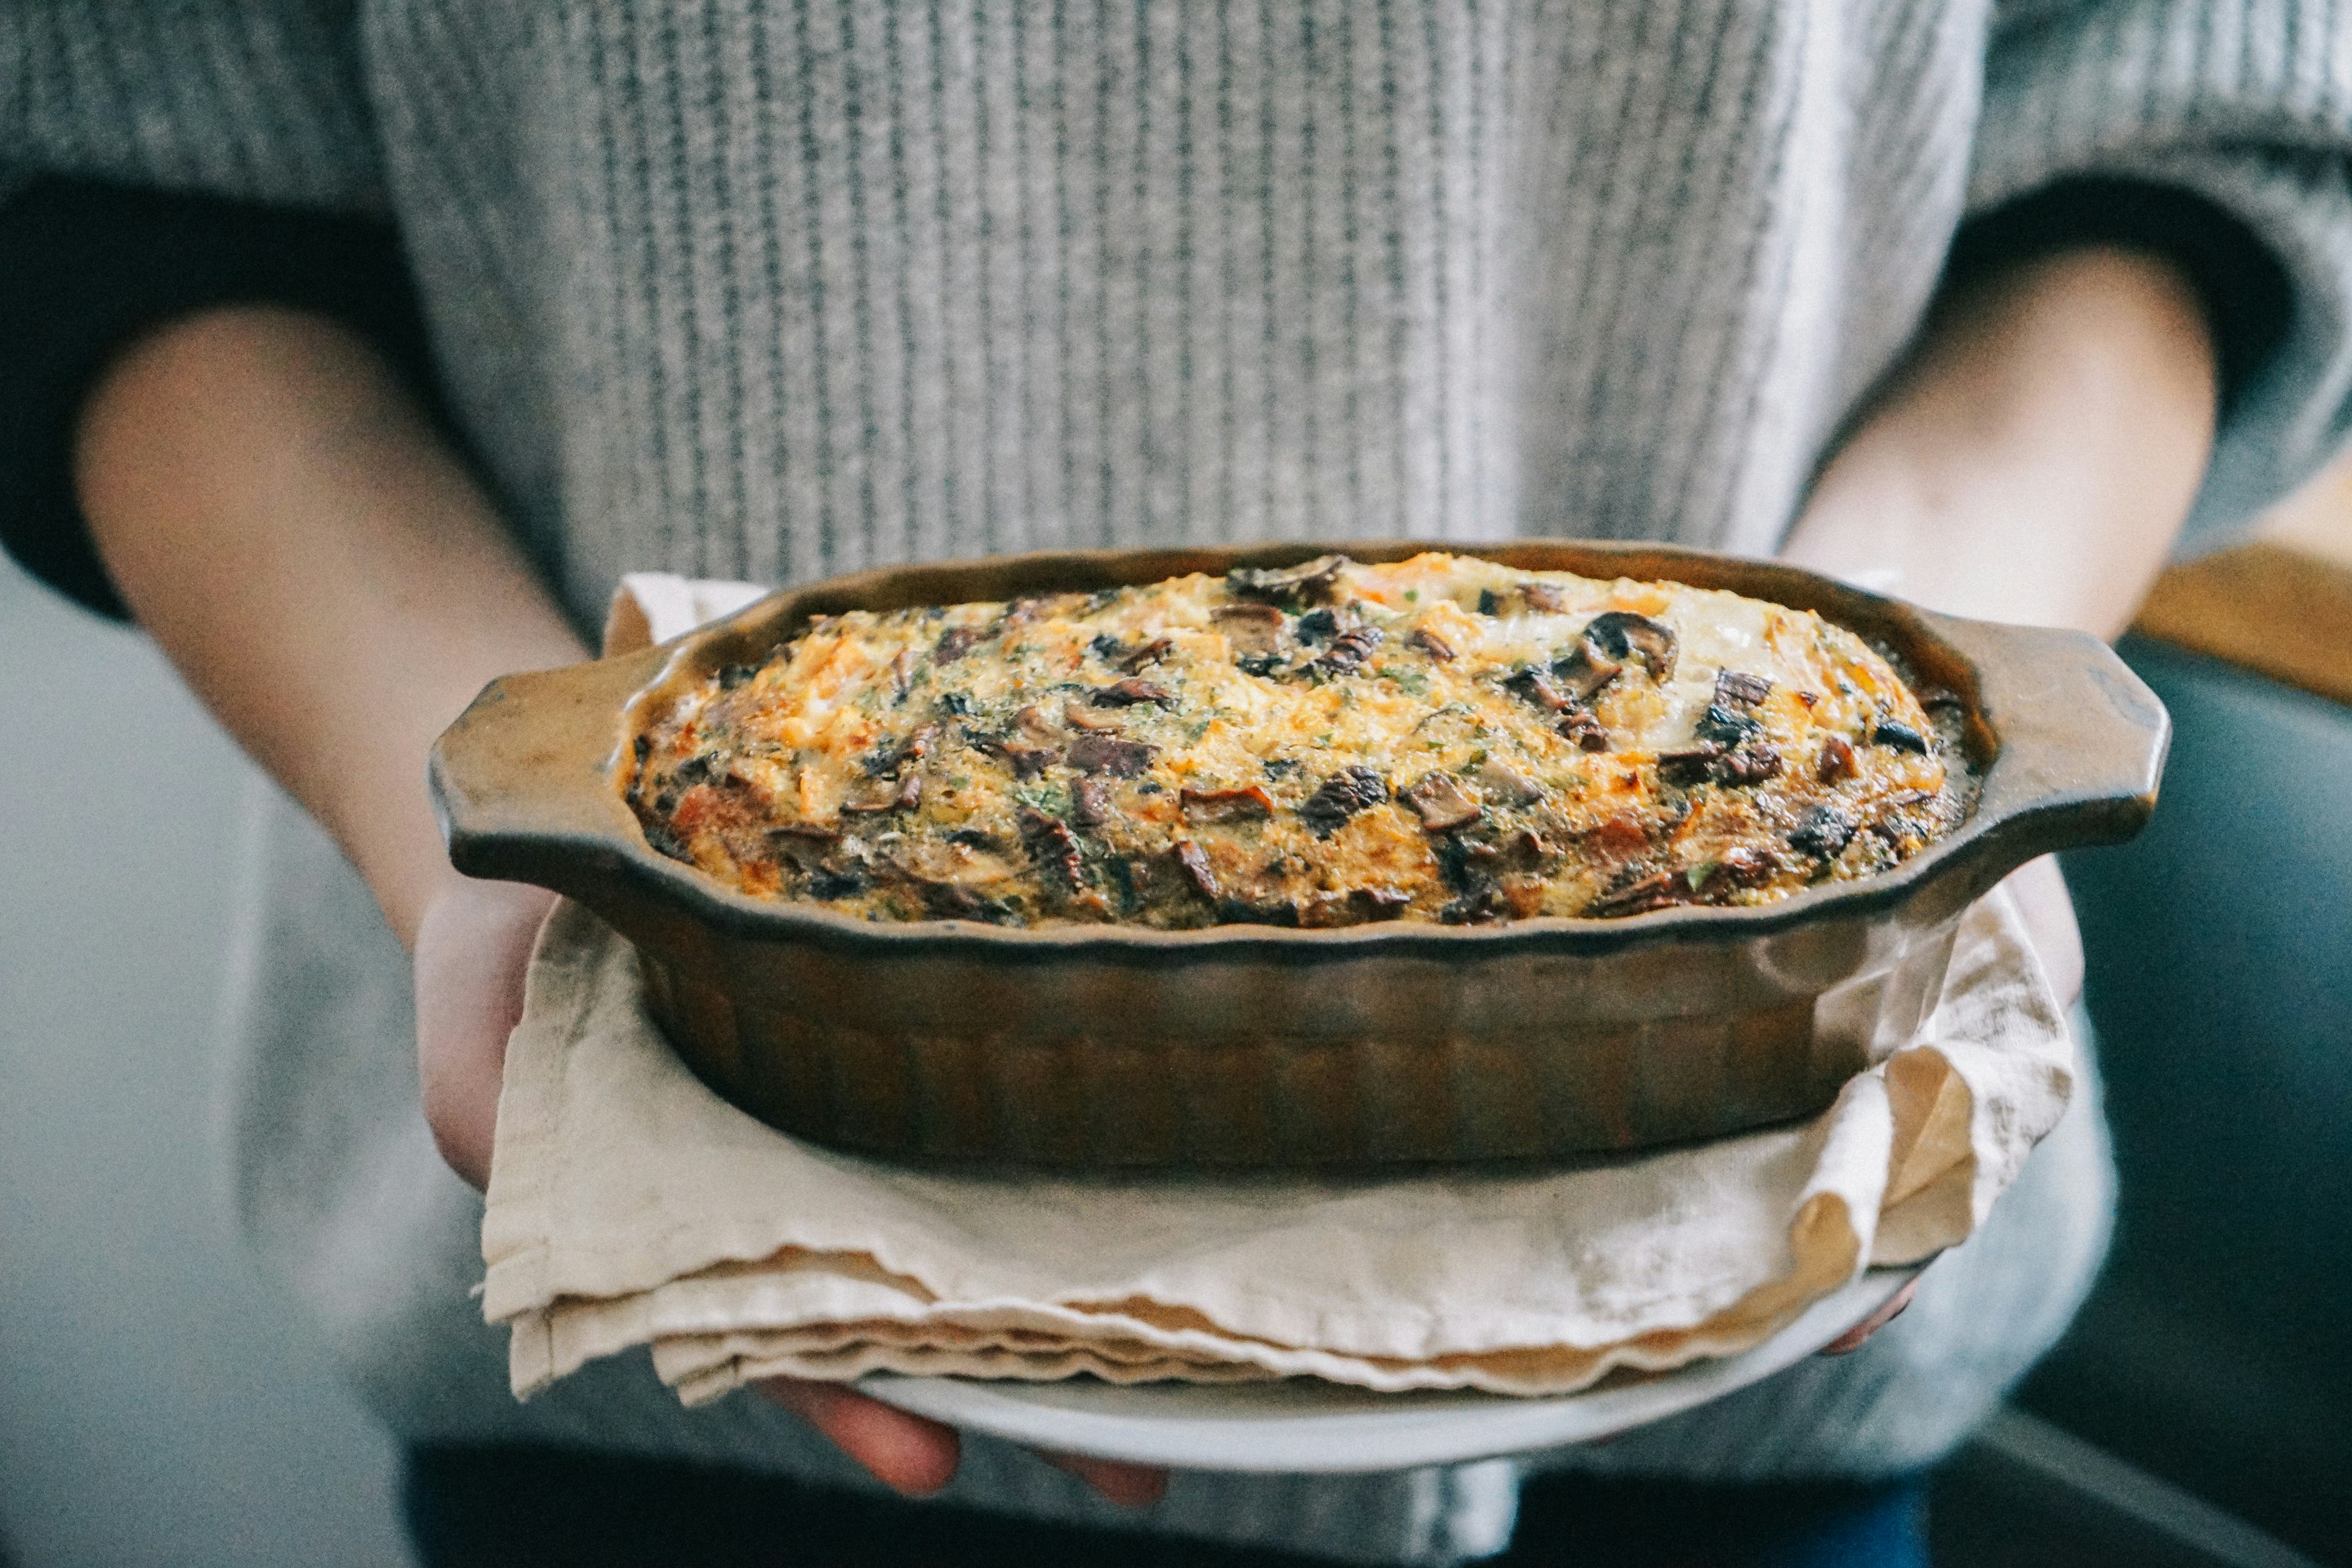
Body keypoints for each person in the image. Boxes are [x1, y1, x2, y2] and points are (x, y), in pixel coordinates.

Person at [2, 3, 2341, 1563]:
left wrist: (1921, 672)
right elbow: (112, 149)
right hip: (686, 1427)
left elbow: (2200, 97)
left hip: (1751, 1358)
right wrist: (468, 795)